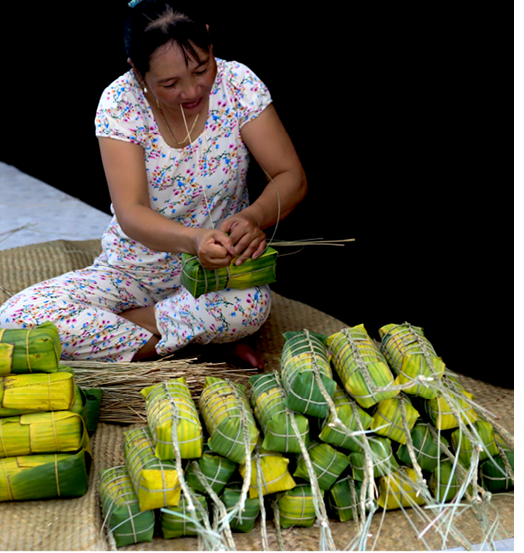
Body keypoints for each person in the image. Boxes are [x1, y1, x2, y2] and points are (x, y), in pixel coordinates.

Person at [0, 0, 307, 367]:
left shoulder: (238, 84)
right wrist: (194, 240)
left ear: (209, 42)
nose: (192, 91)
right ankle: (193, 343)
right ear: (137, 72)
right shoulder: (120, 103)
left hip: (217, 275)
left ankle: (127, 340)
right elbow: (131, 213)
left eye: (201, 69)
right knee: (17, 318)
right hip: (132, 272)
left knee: (249, 307)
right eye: (170, 83)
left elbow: (290, 176)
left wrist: (254, 217)